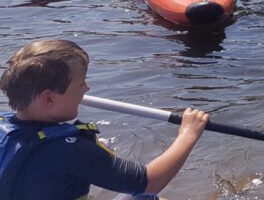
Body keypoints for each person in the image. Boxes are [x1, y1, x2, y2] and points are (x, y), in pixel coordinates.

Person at [0, 39, 209, 200]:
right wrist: (188, 134)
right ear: (50, 98)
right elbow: (150, 181)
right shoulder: (70, 150)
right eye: (81, 84)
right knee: (147, 195)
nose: (87, 88)